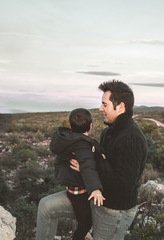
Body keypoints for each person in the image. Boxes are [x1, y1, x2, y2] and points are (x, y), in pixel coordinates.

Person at [71, 80, 148, 240]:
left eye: (104, 105)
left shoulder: (131, 139)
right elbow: (103, 164)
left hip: (115, 211)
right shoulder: (108, 132)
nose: (100, 109)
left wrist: (87, 169)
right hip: (99, 198)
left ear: (120, 107)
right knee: (46, 207)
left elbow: (123, 186)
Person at [35, 108, 105, 240]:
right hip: (80, 192)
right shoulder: (82, 145)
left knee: (84, 219)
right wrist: (95, 188)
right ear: (90, 126)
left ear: (71, 127)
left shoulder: (67, 139)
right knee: (86, 222)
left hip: (72, 188)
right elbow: (88, 166)